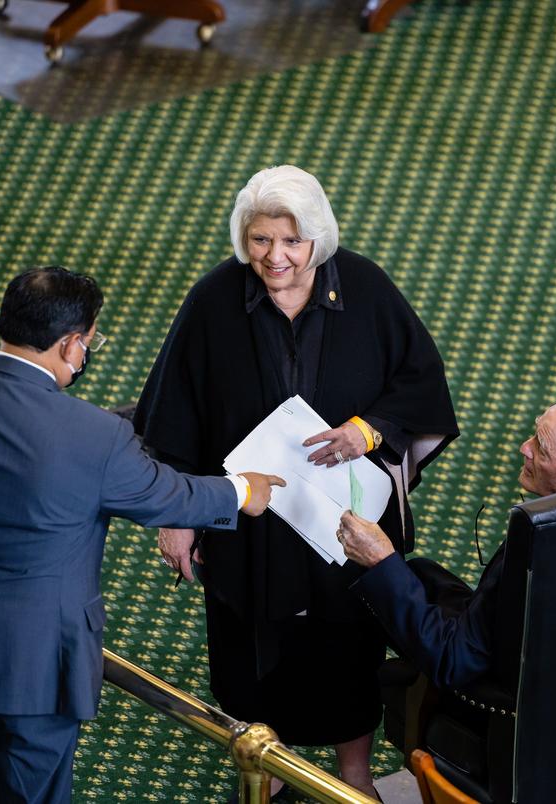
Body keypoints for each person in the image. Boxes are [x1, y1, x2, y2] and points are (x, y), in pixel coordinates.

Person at [0, 266, 284, 803]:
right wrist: (243, 490)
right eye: (91, 340)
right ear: (71, 344)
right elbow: (166, 495)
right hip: (35, 666)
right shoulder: (97, 436)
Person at [133, 165, 459, 796]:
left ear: (318, 239)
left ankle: (354, 771)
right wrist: (175, 515)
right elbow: (173, 411)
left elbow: (422, 384)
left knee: (348, 645)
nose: (275, 257)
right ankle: (267, 766)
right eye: (260, 240)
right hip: (247, 521)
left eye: (290, 242)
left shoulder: (365, 288)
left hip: (342, 518)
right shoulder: (212, 301)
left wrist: (365, 431)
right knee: (248, 647)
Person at [338, 396, 556, 691]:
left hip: (513, 686)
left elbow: (454, 661)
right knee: (420, 573)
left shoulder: (539, 547)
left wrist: (381, 560)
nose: (525, 447)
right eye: (535, 433)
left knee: (376, 584)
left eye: (541, 448)